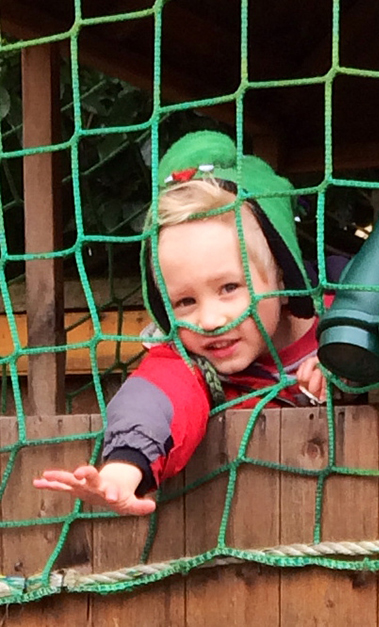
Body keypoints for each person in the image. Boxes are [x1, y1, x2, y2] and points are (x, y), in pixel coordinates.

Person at [33, 131, 331, 516]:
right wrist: (124, 470)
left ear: (282, 279)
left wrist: (353, 368)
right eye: (185, 301)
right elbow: (156, 396)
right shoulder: (187, 360)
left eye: (229, 288)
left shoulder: (342, 327)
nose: (209, 320)